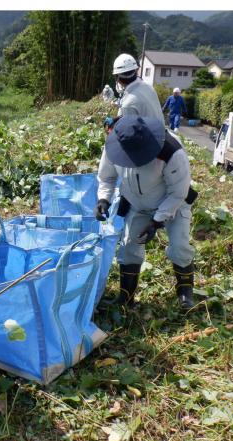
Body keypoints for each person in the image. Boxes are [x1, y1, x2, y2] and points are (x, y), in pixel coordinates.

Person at [95, 116, 197, 314]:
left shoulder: (171, 151)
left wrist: (156, 222)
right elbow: (106, 177)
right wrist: (103, 200)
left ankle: (185, 293)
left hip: (172, 204)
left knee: (179, 246)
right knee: (129, 247)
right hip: (137, 203)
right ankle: (126, 297)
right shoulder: (113, 146)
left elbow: (178, 193)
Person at [112, 54, 162, 120]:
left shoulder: (128, 104)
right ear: (136, 71)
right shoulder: (149, 87)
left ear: (117, 78)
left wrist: (114, 124)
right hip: (159, 129)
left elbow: (126, 129)